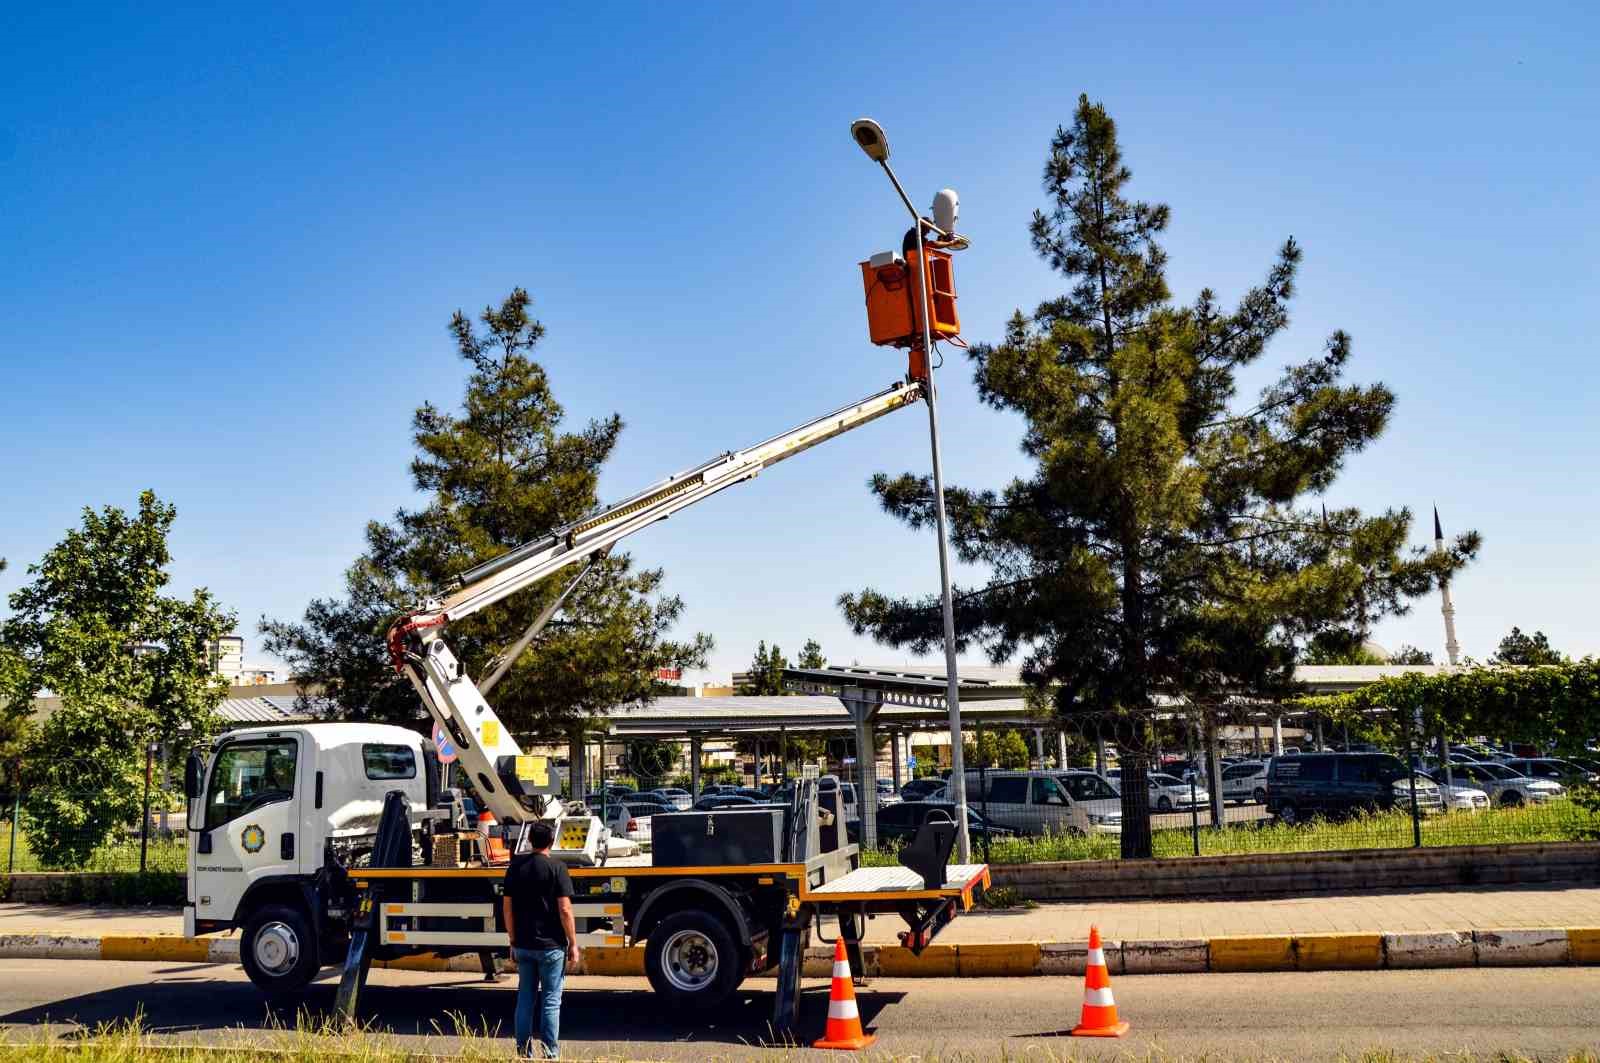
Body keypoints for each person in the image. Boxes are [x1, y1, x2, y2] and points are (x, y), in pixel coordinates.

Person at [502, 820, 578, 1059]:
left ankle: (523, 1053)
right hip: (552, 947)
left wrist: (512, 940)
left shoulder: (515, 867)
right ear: (552, 841)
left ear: (529, 840)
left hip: (523, 945)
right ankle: (550, 1054)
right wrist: (573, 943)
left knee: (525, 1000)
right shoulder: (557, 868)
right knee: (551, 1001)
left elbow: (507, 908)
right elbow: (565, 909)